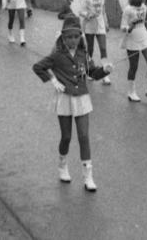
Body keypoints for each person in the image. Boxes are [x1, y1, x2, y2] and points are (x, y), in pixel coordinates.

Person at [32, 16, 113, 192]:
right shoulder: (57, 56)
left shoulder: (84, 55)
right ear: (63, 37)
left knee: (84, 136)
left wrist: (104, 70)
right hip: (65, 99)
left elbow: (92, 73)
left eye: (76, 36)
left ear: (80, 37)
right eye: (69, 37)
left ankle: (88, 176)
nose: (73, 40)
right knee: (66, 136)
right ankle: (62, 166)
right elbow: (38, 67)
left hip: (82, 98)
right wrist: (53, 81)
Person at [78, 0, 111, 84]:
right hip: (89, 26)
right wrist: (88, 14)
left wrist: (106, 23)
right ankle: (89, 70)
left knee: (103, 48)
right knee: (90, 49)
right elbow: (80, 11)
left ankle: (105, 72)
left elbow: (103, 12)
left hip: (100, 25)